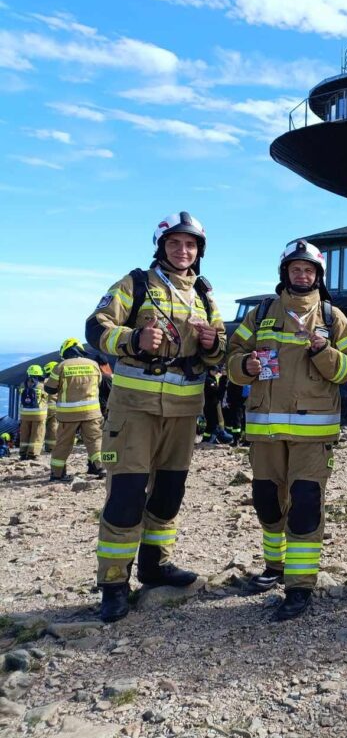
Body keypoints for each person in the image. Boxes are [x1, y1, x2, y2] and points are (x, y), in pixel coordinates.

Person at [85, 211, 226, 623]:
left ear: (199, 251)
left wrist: (212, 343)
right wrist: (134, 338)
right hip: (134, 410)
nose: (183, 250)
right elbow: (96, 328)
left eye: (191, 244)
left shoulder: (204, 293)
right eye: (175, 243)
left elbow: (219, 348)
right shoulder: (136, 283)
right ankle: (113, 584)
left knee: (168, 494)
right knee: (126, 497)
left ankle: (154, 565)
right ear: (161, 246)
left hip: (183, 412)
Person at [228, 240, 347, 620]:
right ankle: (275, 566)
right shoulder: (261, 313)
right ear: (284, 272)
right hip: (265, 432)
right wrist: (244, 367)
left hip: (313, 435)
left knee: (305, 505)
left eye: (308, 270)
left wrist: (323, 352)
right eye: (295, 269)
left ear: (318, 275)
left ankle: (300, 586)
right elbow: (232, 358)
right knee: (267, 502)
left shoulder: (332, 317)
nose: (302, 275)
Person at [44, 338, 105, 481]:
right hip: (91, 412)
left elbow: (50, 389)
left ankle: (57, 474)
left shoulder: (61, 366)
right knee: (95, 440)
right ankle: (102, 468)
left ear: (66, 351)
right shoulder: (93, 364)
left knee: (63, 443)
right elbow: (99, 383)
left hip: (68, 415)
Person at [17, 365, 47, 460]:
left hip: (25, 414)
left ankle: (23, 452)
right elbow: (47, 396)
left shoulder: (22, 385)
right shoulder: (42, 386)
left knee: (25, 434)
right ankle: (32, 453)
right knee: (37, 434)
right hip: (38, 415)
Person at [42, 361, 59, 453]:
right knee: (52, 427)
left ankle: (38, 447)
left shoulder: (43, 381)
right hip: (54, 408)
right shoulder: (57, 380)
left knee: (41, 427)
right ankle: (51, 447)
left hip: (43, 408)